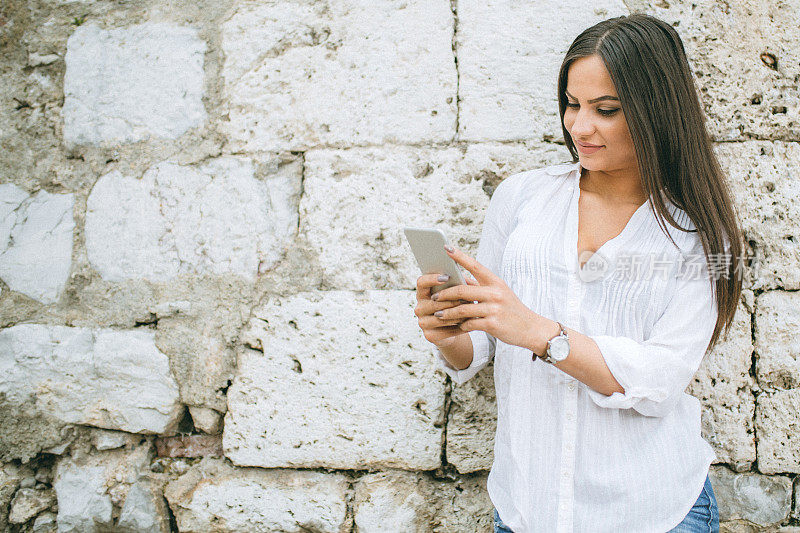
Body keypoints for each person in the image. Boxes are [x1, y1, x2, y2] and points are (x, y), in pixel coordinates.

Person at [413, 13, 744, 533]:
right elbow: (483, 346)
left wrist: (543, 334)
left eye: (605, 110)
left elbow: (660, 379)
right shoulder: (522, 198)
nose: (579, 126)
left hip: (651, 511)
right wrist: (449, 333)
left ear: (659, 112)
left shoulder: (698, 235)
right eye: (572, 104)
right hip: (528, 508)